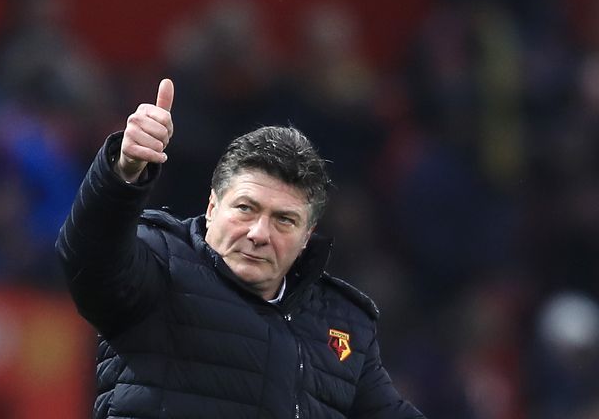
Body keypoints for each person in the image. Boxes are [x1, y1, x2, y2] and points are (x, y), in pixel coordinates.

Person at [57, 79, 424, 418]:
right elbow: (87, 259)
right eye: (246, 209)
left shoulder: (344, 324)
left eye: (284, 220)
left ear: (307, 235)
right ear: (213, 207)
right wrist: (123, 171)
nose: (259, 233)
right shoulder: (159, 261)